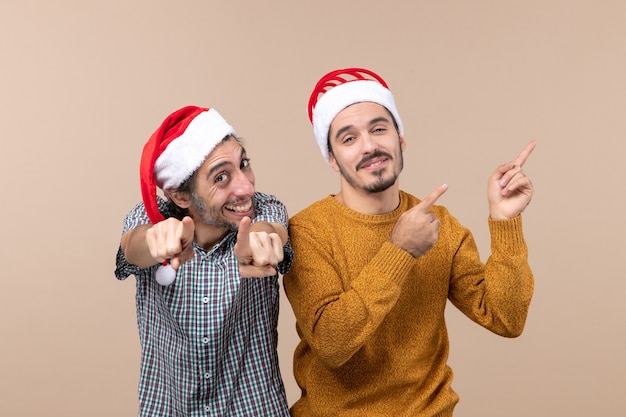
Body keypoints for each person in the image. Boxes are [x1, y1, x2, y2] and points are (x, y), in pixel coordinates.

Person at [283, 67, 536, 417]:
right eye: (348, 138)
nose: (369, 145)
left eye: (378, 129)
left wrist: (505, 221)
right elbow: (332, 343)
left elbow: (506, 319)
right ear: (331, 159)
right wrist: (400, 251)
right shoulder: (308, 232)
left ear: (400, 139)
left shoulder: (440, 225)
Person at [114, 105, 293, 416]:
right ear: (181, 197)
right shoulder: (150, 218)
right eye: (221, 177)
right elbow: (133, 246)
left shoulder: (264, 210)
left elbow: (270, 230)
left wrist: (258, 242)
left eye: (244, 164)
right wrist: (156, 242)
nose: (246, 187)